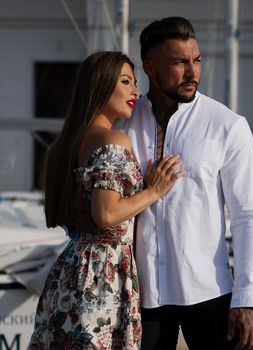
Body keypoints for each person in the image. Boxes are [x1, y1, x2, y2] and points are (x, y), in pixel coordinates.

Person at [116, 17, 253, 350]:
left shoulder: (227, 126)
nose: (192, 72)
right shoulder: (122, 123)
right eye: (179, 62)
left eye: (196, 60)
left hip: (209, 291)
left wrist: (248, 297)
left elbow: (248, 215)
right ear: (150, 68)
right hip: (142, 294)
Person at [29, 51, 184, 349]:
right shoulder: (113, 141)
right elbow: (105, 213)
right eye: (125, 81)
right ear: (99, 85)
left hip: (71, 269)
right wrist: (154, 191)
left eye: (135, 83)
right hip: (101, 274)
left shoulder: (68, 143)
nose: (135, 92)